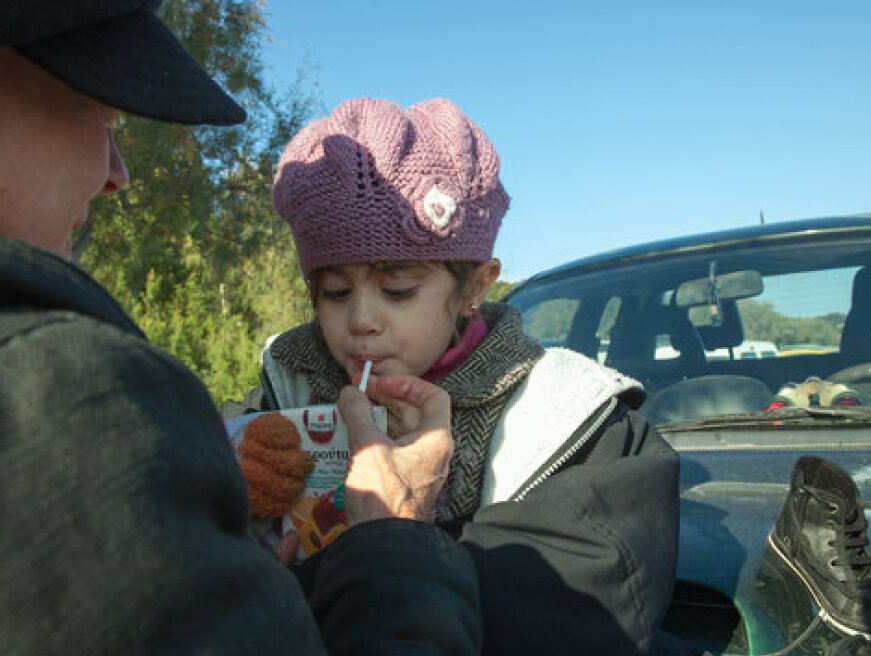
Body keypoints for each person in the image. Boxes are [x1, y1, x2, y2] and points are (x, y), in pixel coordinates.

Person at [0, 2, 482, 655]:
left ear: (474, 290)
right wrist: (392, 537)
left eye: (398, 288)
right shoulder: (34, 402)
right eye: (106, 113)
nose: (118, 174)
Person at [246, 97, 681, 655]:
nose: (361, 320)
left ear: (474, 287)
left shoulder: (576, 422)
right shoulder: (283, 389)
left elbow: (566, 612)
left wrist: (315, 576)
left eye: (398, 289)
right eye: (334, 292)